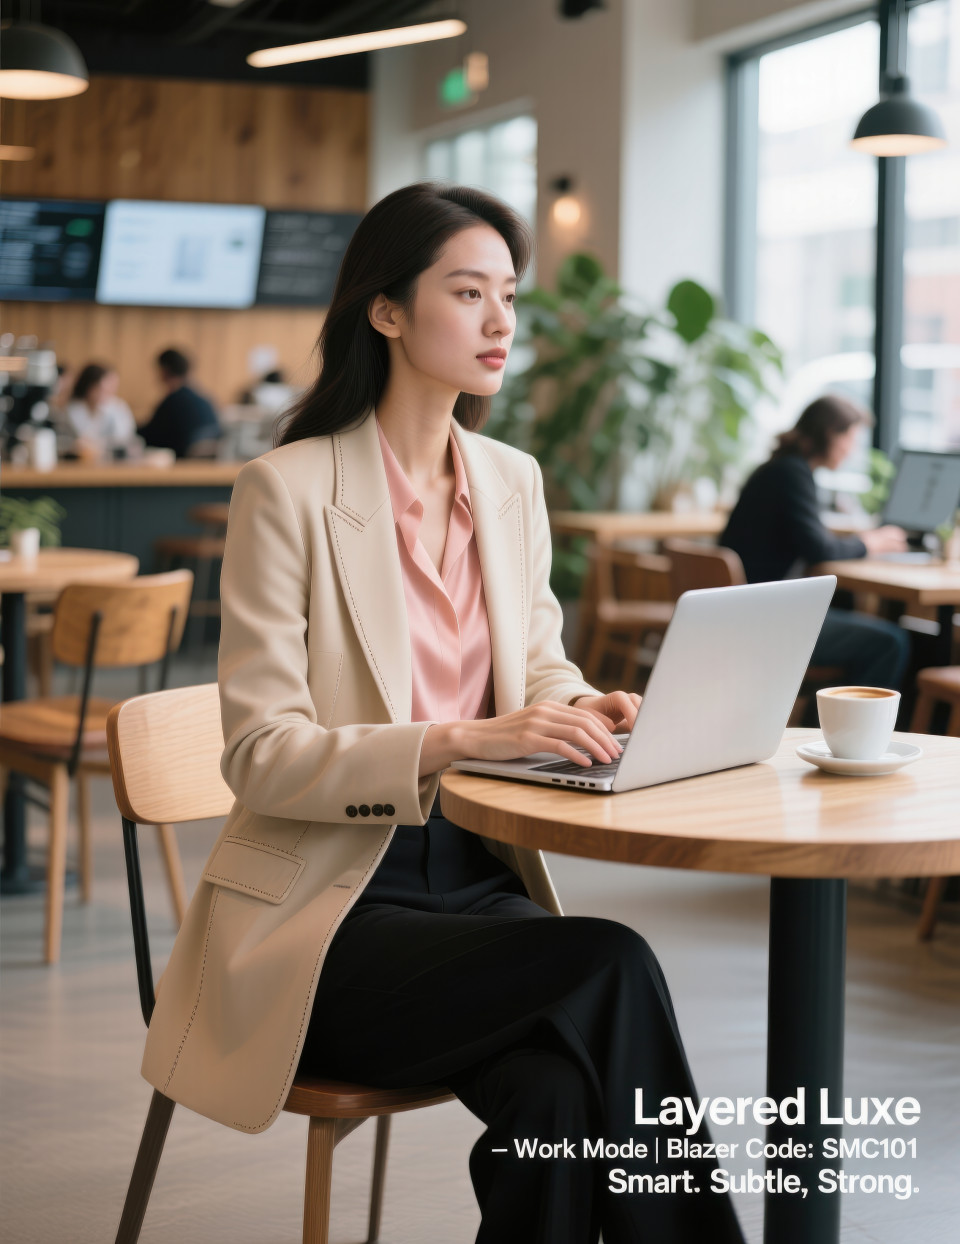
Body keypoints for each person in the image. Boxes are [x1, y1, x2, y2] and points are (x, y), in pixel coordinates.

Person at [138, 183, 745, 1244]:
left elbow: (539, 666)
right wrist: (463, 738)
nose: (502, 321)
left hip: (475, 886)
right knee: (611, 959)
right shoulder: (285, 490)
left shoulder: (512, 479)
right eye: (469, 293)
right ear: (387, 309)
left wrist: (577, 706)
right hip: (323, 918)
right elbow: (260, 755)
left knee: (554, 1101)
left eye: (509, 294)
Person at [721, 394, 910, 693]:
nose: (852, 449)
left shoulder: (778, 468)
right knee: (890, 642)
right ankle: (844, 732)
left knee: (849, 606)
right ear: (830, 435)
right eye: (850, 438)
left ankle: (824, 723)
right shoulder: (792, 474)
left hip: (745, 613)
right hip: (765, 623)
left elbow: (811, 541)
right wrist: (870, 542)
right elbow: (819, 548)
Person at [139, 348, 221, 458]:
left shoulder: (173, 401)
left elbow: (151, 436)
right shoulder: (204, 399)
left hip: (181, 462)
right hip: (208, 465)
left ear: (165, 370)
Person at [61, 362, 136, 458]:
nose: (108, 392)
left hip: (114, 461)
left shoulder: (118, 408)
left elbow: (124, 439)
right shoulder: (71, 409)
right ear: (88, 386)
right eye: (102, 388)